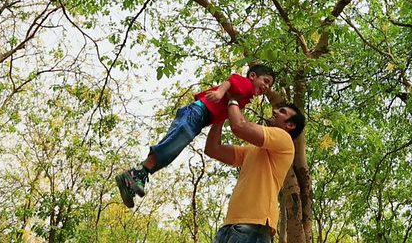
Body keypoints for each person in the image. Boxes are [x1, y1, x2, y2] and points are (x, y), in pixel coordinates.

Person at [116, 64, 276, 208]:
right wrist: (220, 93)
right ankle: (134, 174)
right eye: (266, 81)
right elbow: (232, 81)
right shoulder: (247, 85)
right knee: (174, 143)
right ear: (253, 76)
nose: (266, 87)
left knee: (173, 148)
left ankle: (137, 177)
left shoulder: (244, 97)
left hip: (200, 117)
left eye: (269, 85)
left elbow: (225, 110)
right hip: (198, 112)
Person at [205, 98, 306, 243]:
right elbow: (212, 149)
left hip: (254, 226)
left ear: (290, 125)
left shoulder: (284, 138)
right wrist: (220, 117)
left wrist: (232, 99)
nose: (275, 111)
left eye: (282, 111)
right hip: (230, 225)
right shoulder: (252, 151)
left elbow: (239, 126)